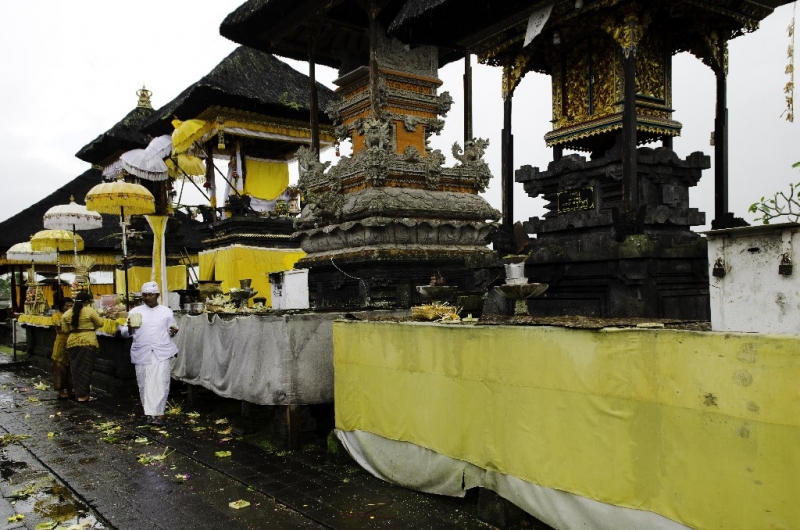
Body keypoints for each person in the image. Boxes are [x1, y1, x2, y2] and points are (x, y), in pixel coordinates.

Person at [119, 281, 179, 426]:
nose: (147, 298)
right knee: (144, 383)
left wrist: (174, 330)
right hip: (142, 352)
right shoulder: (135, 312)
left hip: (161, 352)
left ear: (157, 295)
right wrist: (129, 328)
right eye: (145, 295)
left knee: (161, 382)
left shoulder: (166, 311)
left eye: (151, 295)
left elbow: (172, 328)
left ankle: (159, 413)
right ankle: (149, 413)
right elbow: (125, 333)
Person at [61, 291, 104, 402]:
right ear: (87, 302)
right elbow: (100, 324)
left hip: (72, 343)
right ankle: (83, 395)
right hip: (88, 341)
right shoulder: (90, 311)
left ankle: (79, 393)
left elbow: (65, 330)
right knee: (86, 369)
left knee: (75, 369)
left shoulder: (66, 314)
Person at [51, 296, 74, 400]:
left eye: (71, 306)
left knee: (72, 368)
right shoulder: (56, 315)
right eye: (66, 306)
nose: (68, 308)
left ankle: (71, 389)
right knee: (60, 367)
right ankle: (61, 390)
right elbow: (58, 323)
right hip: (61, 343)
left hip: (72, 342)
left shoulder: (74, 315)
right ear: (61, 306)